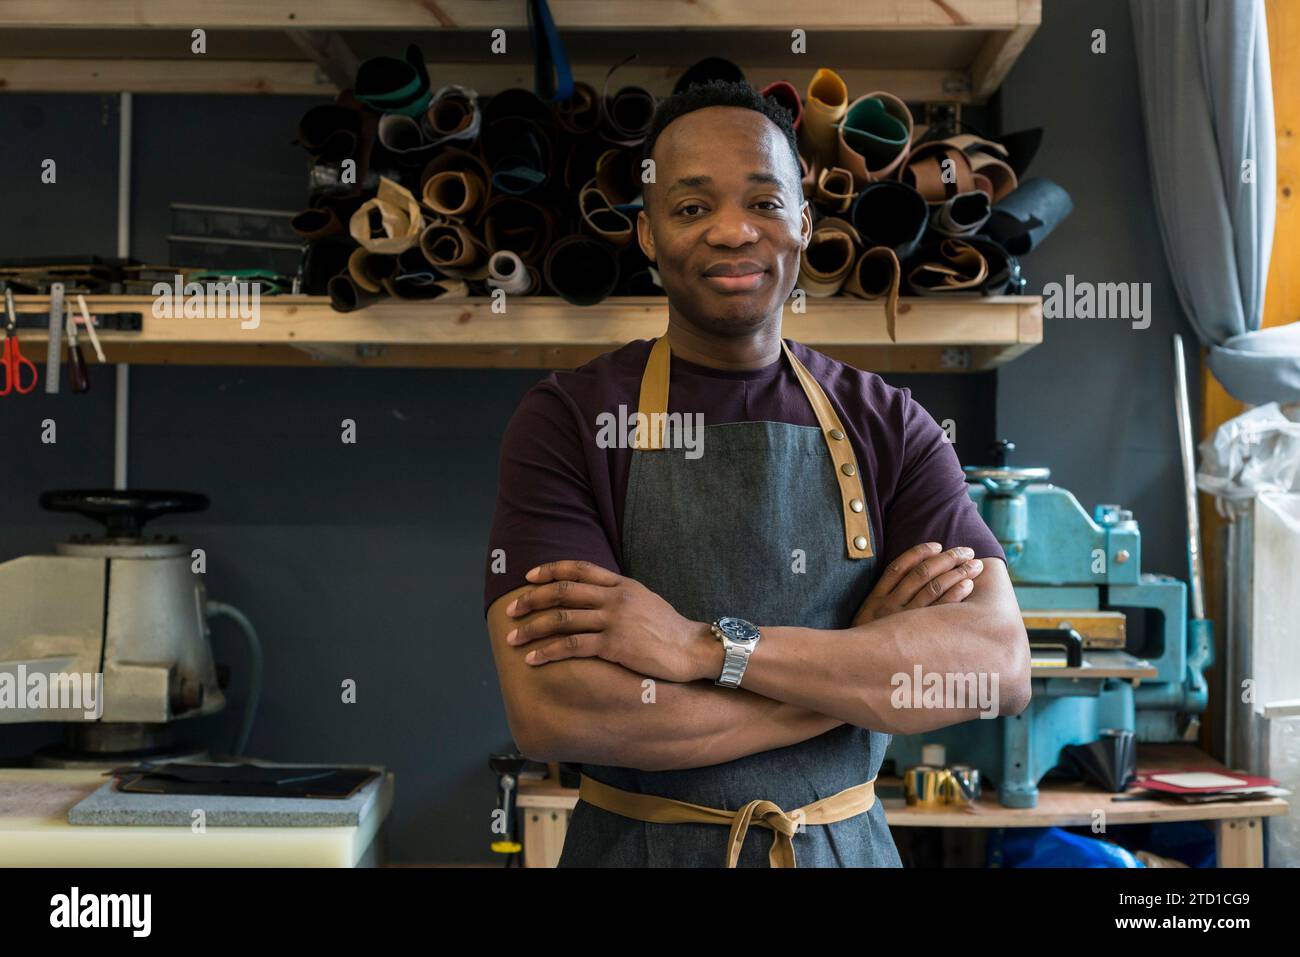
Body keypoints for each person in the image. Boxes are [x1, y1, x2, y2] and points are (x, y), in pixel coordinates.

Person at [483, 81, 1030, 867]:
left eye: (765, 202)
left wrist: (707, 649)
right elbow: (554, 706)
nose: (733, 231)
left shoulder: (890, 424)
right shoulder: (568, 420)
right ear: (646, 232)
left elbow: (995, 672)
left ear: (804, 224)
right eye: (691, 207)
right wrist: (855, 675)